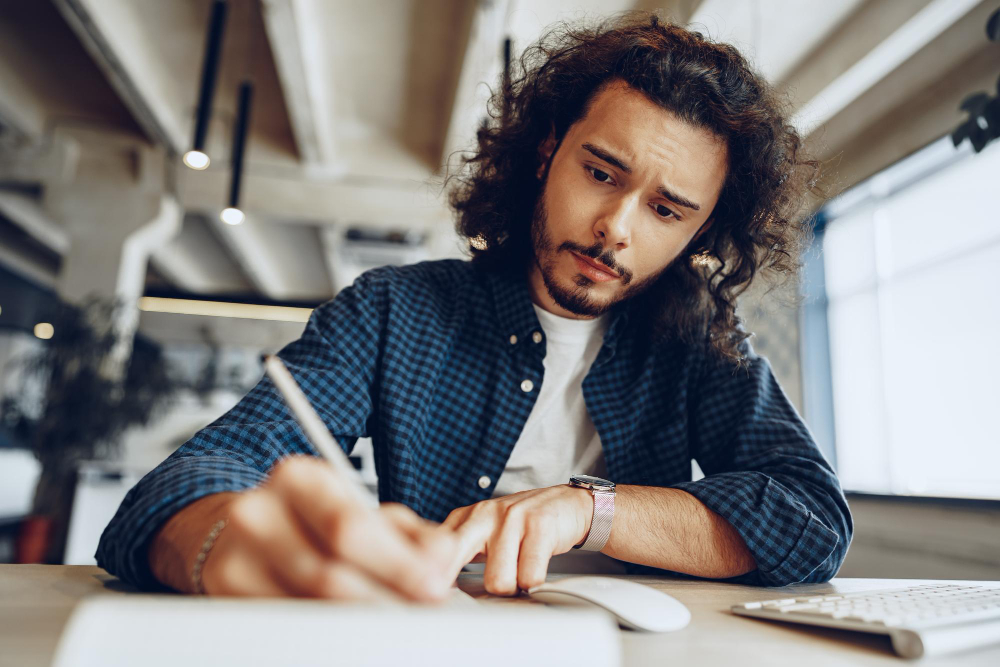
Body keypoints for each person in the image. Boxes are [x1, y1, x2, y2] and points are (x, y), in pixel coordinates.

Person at [97, 13, 852, 601]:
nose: (615, 228)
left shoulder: (698, 343)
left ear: (699, 232)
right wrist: (219, 546)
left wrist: (588, 510)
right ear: (546, 149)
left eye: (666, 210)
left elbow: (811, 518)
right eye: (600, 171)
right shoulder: (394, 311)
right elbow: (184, 482)